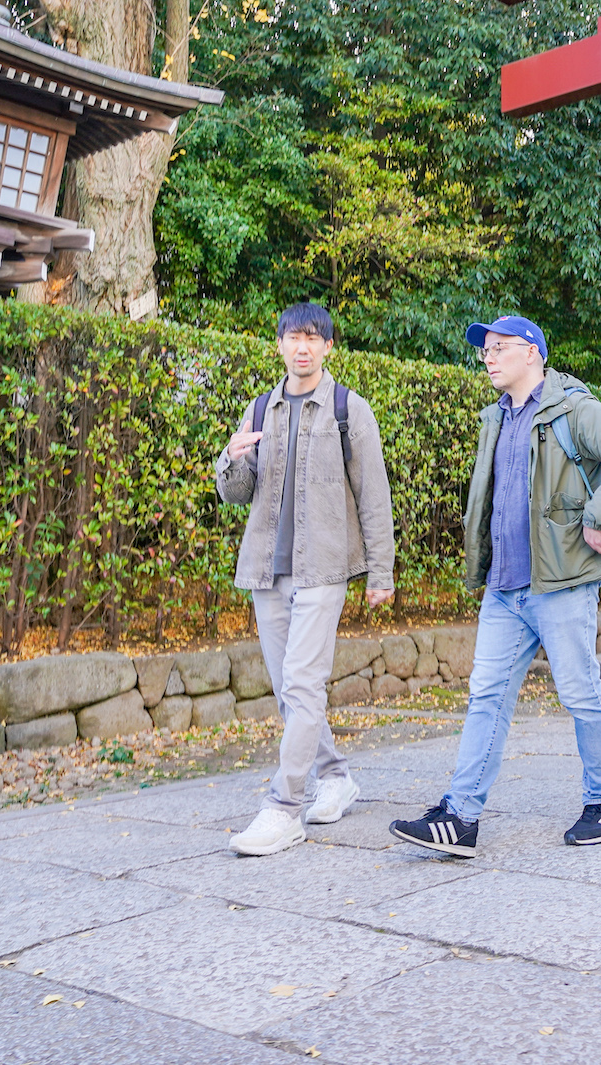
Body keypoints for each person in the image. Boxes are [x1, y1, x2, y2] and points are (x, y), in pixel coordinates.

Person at [390, 314, 601, 858]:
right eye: (484, 350)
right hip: (505, 589)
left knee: (580, 693)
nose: (488, 357)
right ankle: (461, 816)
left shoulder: (573, 409)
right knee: (486, 697)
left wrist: (599, 517)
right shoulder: (497, 417)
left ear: (531, 352)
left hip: (560, 584)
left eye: (499, 348)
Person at [217, 302, 395, 857]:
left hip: (322, 569)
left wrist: (380, 571)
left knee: (301, 684)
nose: (303, 347)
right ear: (279, 346)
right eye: (294, 337)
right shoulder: (258, 409)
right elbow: (235, 494)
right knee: (289, 692)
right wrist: (231, 458)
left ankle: (283, 808)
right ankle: (336, 776)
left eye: (313, 338)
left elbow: (374, 493)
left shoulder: (348, 409)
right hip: (266, 570)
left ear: (327, 348)